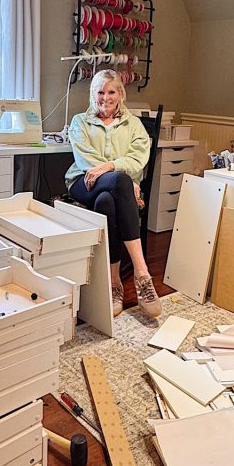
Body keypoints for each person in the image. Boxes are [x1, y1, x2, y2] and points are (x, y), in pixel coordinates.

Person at [65, 69, 162, 318]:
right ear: (93, 94)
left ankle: (114, 283)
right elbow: (85, 160)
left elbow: (138, 159)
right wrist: (121, 176)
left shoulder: (134, 125)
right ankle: (142, 274)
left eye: (111, 92)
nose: (105, 98)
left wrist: (110, 167)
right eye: (100, 92)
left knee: (108, 201)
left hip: (115, 189)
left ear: (120, 94)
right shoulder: (79, 122)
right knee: (120, 181)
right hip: (83, 182)